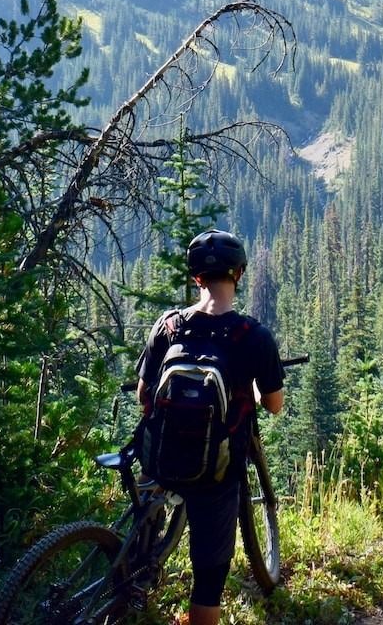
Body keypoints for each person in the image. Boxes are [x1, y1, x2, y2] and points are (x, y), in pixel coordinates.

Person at [135, 229, 285, 625]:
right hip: (215, 474)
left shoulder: (168, 326)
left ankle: (129, 578)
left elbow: (143, 395)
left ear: (195, 277)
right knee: (208, 580)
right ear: (238, 274)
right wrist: (250, 394)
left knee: (139, 545)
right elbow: (273, 405)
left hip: (160, 460)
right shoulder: (253, 337)